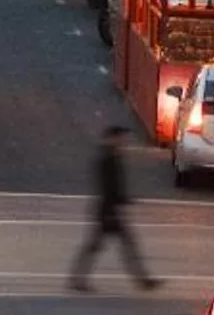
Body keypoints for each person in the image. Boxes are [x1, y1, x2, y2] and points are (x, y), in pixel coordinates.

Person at [67, 123, 158, 292]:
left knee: (110, 246)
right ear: (113, 138)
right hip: (108, 211)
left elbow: (112, 187)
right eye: (122, 138)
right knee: (111, 246)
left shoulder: (111, 157)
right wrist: (120, 204)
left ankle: (78, 279)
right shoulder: (108, 159)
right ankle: (143, 280)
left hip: (108, 209)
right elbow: (109, 187)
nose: (125, 141)